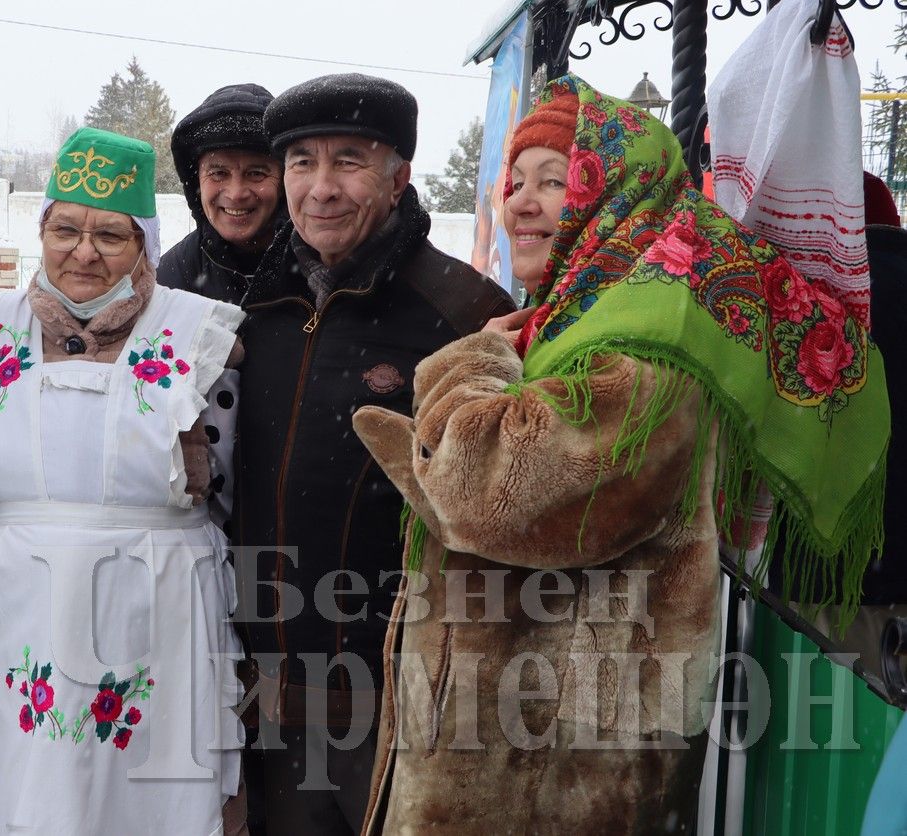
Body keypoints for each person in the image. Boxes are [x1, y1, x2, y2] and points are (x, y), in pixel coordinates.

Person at [352, 75, 889, 833]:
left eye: (556, 181)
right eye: (516, 181)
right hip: (515, 735)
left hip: (555, 769)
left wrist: (463, 365)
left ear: (619, 196)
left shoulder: (642, 349)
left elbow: (483, 500)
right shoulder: (573, 319)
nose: (521, 202)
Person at [0, 127, 248, 836]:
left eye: (110, 234)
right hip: (17, 611)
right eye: (65, 228)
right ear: (41, 229)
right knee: (23, 792)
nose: (83, 251)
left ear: (145, 244)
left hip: (154, 608)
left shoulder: (198, 334)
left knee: (146, 795)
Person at [233, 72, 514, 834]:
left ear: (398, 179)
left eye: (348, 161)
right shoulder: (246, 308)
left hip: (397, 700)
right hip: (256, 698)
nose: (321, 188)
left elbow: (496, 508)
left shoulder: (464, 314)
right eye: (301, 163)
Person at [159, 83, 284, 303]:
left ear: (284, 181)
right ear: (196, 181)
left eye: (256, 173)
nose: (236, 194)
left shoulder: (319, 270)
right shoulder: (173, 276)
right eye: (218, 173)